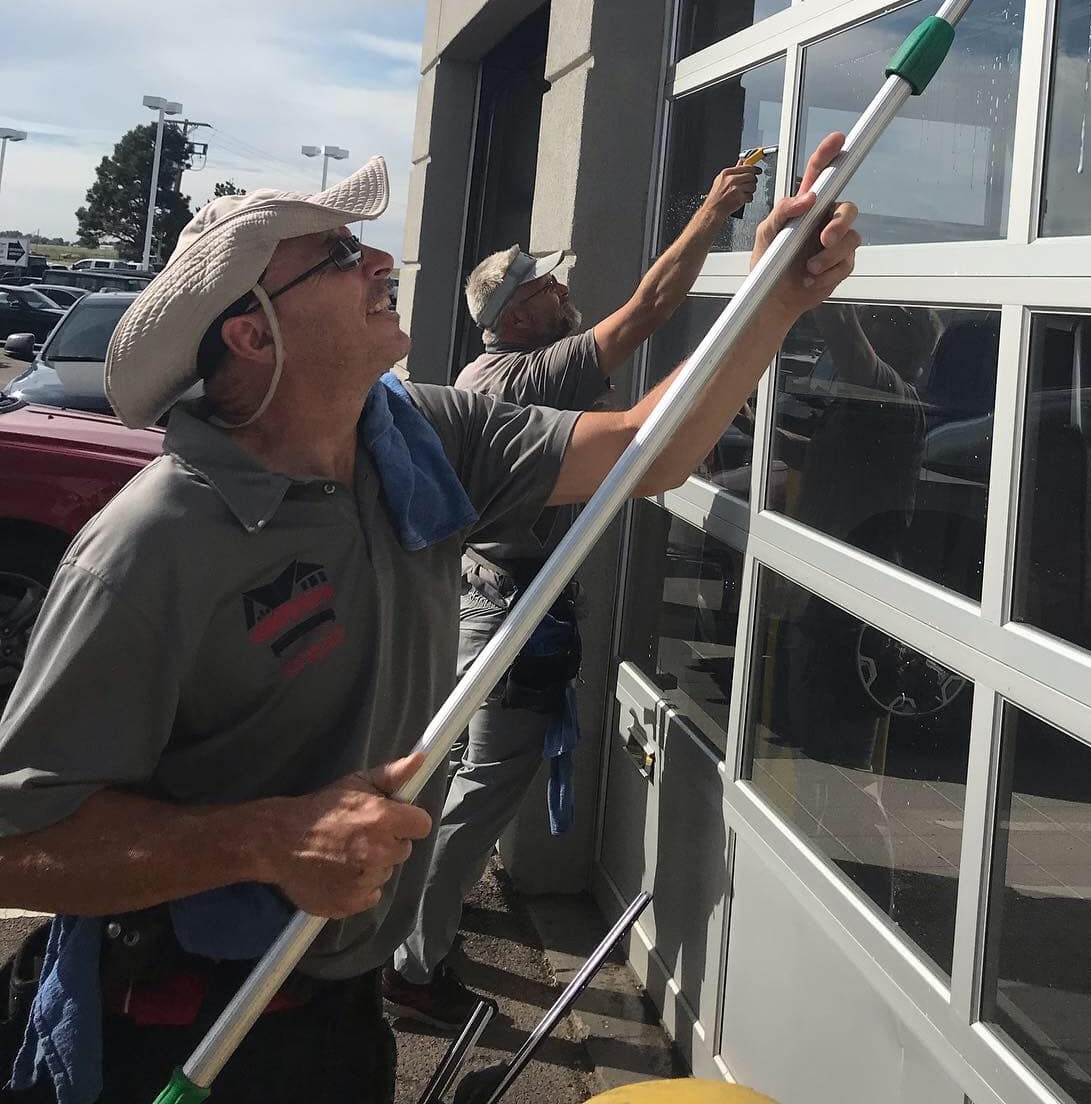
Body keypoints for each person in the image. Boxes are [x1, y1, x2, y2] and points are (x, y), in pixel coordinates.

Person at [0, 142, 857, 1104]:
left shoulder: (418, 440)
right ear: (251, 336)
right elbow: (20, 843)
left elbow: (643, 451)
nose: (380, 263)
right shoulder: (150, 549)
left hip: (338, 1006)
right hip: (191, 1025)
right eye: (337, 254)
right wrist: (263, 842)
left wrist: (779, 297)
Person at [391, 164, 760, 1023]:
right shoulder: (530, 377)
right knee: (486, 783)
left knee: (452, 772)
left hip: (476, 600)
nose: (565, 290)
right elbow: (650, 309)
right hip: (507, 611)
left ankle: (411, 925)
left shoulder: (486, 380)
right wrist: (715, 213)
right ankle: (413, 966)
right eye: (549, 285)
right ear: (518, 317)